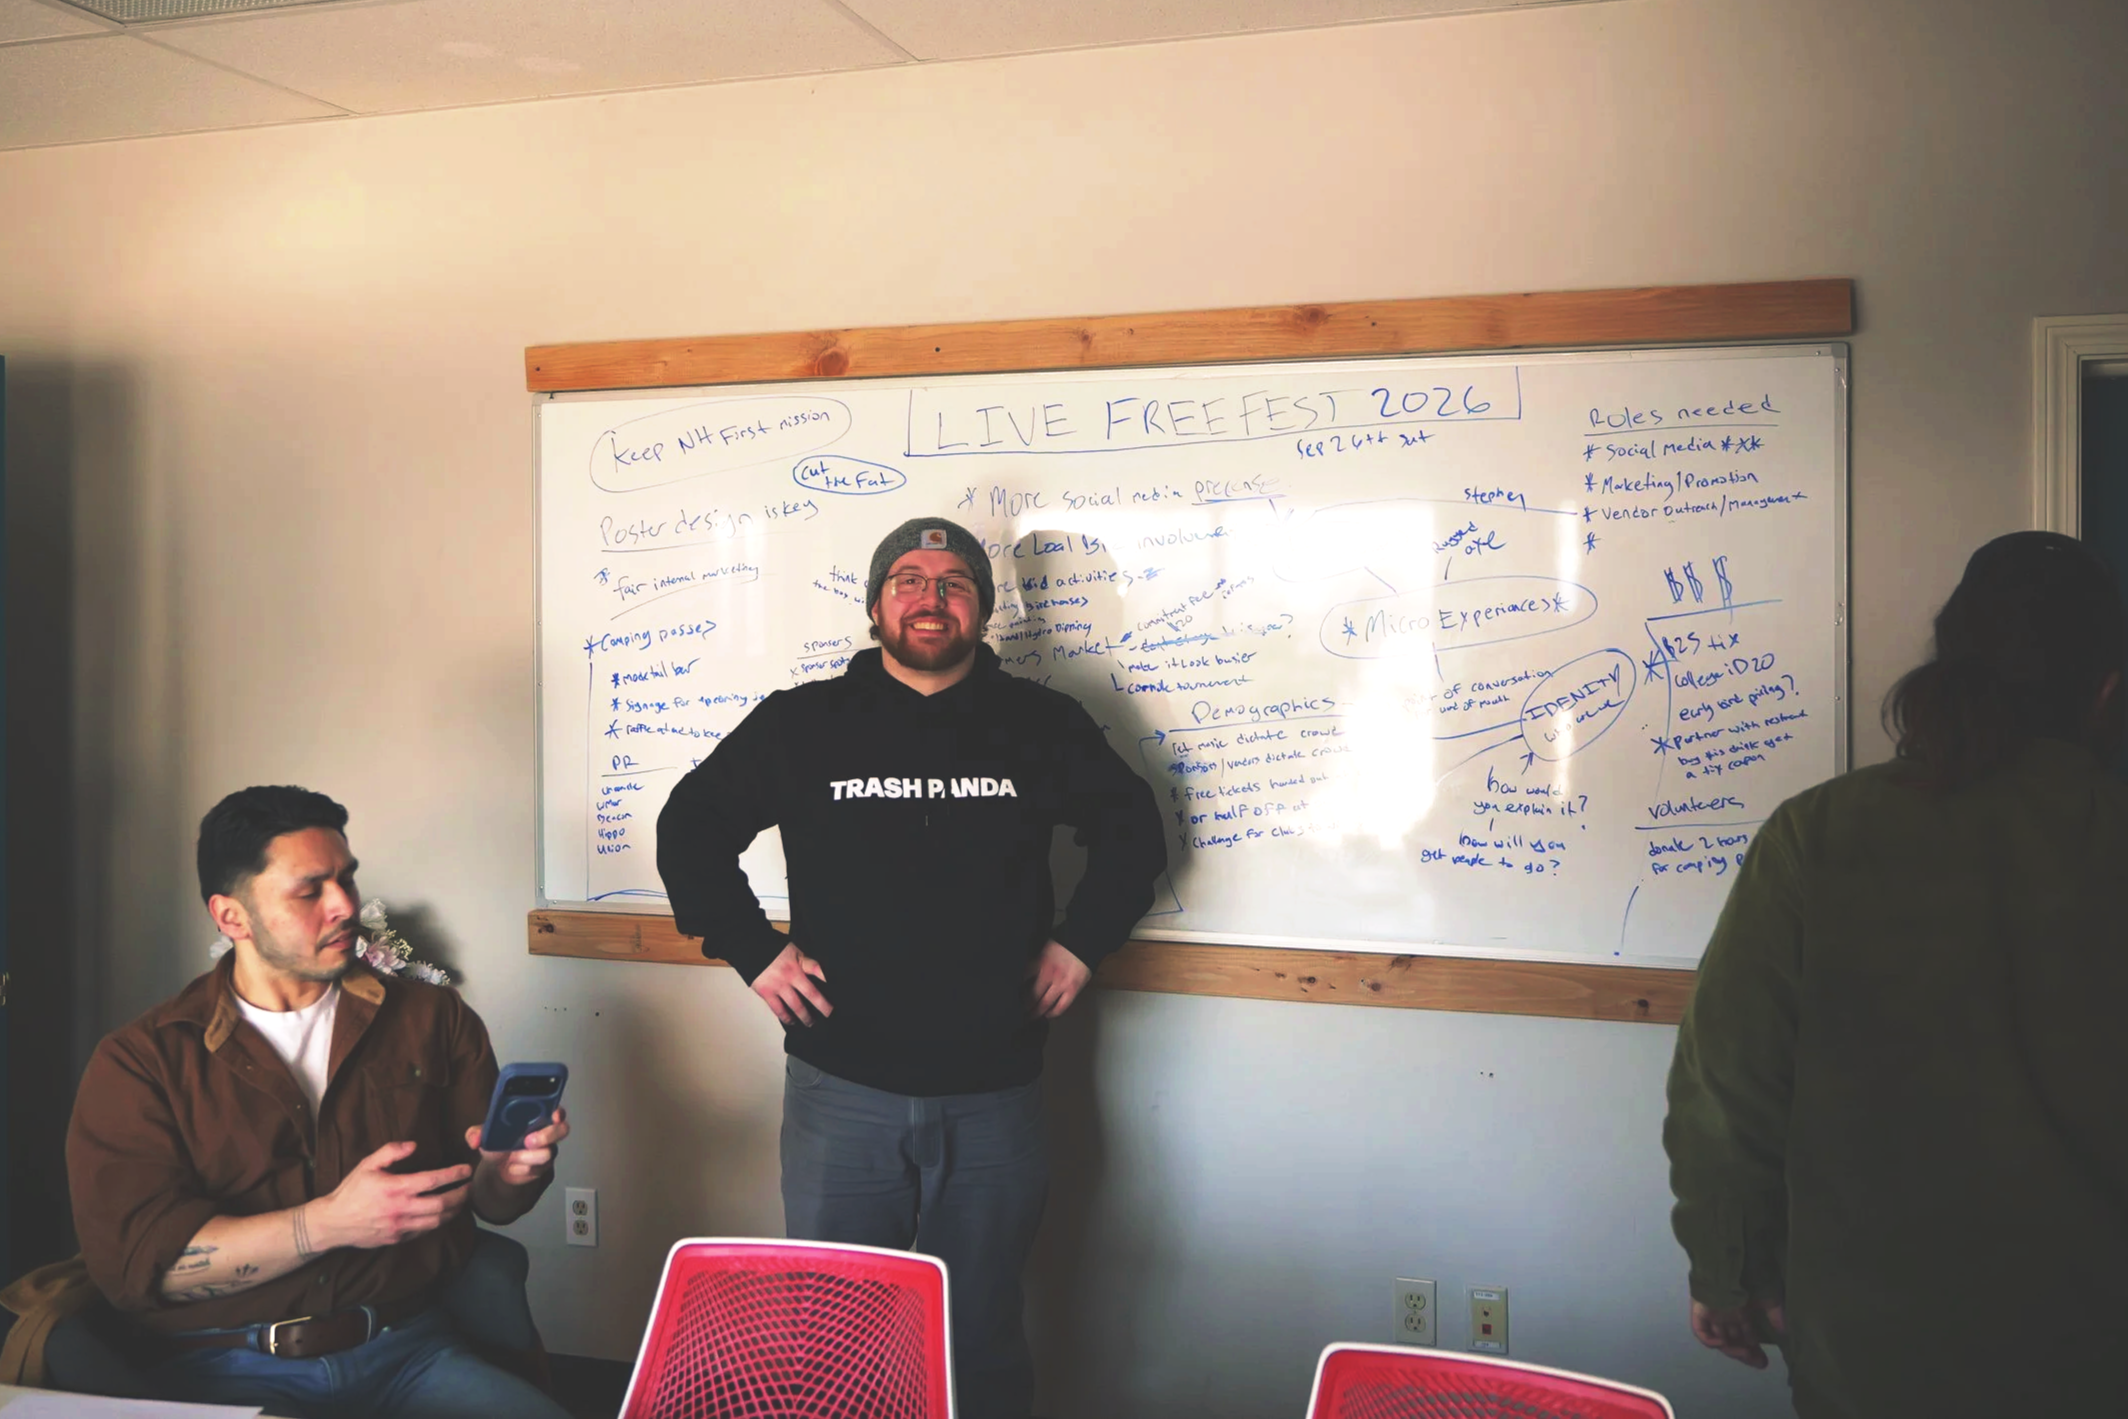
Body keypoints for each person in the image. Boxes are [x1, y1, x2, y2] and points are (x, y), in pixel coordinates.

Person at [657, 515, 1166, 1419]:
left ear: (982, 608)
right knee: (836, 1328)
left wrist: (1083, 940)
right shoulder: (803, 723)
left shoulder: (1040, 725)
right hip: (841, 1087)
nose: (932, 598)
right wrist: (754, 950)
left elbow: (1135, 834)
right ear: (877, 603)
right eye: (910, 579)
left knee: (981, 1332)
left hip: (996, 1090)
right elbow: (688, 830)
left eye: (955, 582)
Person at [1664, 531, 2128, 1418]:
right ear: (2106, 692)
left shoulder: (1816, 836)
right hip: (2096, 1351)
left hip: (1867, 1350)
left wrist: (1728, 1270)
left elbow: (1728, 1091)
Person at [65, 785, 575, 1419]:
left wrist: (506, 1173)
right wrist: (324, 1225)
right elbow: (138, 1267)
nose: (344, 905)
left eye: (346, 880)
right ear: (232, 917)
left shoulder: (431, 1018)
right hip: (226, 1367)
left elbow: (494, 1205)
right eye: (310, 891)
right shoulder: (144, 1062)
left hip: (409, 1349)